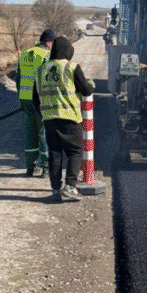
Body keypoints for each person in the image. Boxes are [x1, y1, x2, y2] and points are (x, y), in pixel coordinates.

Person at [33, 35, 94, 203]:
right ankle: (70, 187)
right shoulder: (71, 67)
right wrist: (89, 84)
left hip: (49, 120)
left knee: (55, 154)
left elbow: (35, 98)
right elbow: (87, 91)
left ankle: (55, 190)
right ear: (68, 52)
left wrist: (45, 113)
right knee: (75, 152)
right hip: (69, 119)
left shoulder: (40, 70)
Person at [17, 29, 55, 176]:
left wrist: (21, 100)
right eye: (53, 43)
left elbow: (19, 79)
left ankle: (30, 167)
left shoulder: (25, 53)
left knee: (30, 131)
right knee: (43, 132)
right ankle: (45, 168)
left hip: (25, 97)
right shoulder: (46, 55)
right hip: (39, 99)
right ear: (48, 43)